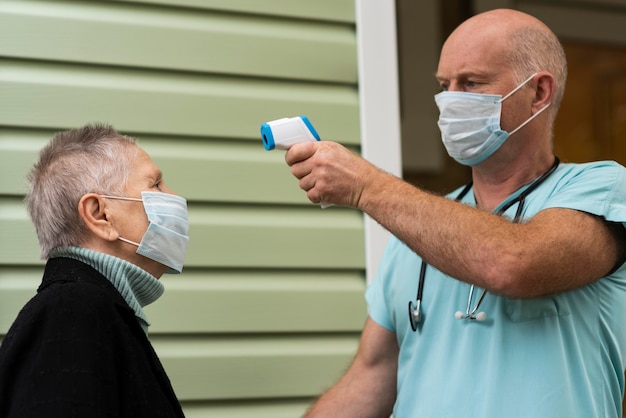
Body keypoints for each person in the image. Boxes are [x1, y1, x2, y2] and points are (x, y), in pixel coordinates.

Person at [285, 8, 626, 418]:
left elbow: (513, 263)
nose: (449, 100)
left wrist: (366, 186)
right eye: (444, 85)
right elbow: (371, 377)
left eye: (471, 83)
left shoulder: (603, 190)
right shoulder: (414, 232)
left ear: (538, 93)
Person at [0, 123, 188, 417]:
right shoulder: (71, 312)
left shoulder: (94, 309)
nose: (175, 197)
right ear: (100, 215)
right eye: (156, 185)